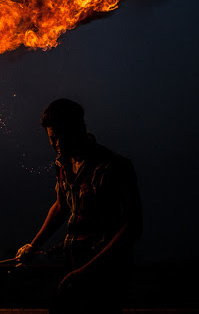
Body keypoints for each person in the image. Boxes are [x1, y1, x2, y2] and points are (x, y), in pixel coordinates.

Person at [16, 99, 142, 314]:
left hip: (106, 270)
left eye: (59, 138)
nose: (55, 145)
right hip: (74, 263)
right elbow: (61, 206)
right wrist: (33, 246)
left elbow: (132, 226)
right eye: (51, 139)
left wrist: (84, 273)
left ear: (77, 131)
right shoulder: (63, 164)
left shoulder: (113, 167)